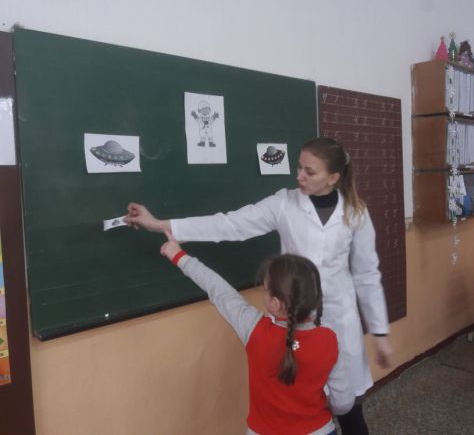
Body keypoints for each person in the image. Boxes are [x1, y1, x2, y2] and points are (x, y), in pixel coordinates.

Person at [126, 137, 393, 435]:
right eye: (299, 167)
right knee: (292, 405)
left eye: (310, 171)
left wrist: (380, 331)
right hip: (291, 324)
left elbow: (366, 274)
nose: (299, 176)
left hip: (340, 325)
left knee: (351, 414)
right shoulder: (284, 203)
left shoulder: (356, 212)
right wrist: (162, 224)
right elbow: (230, 224)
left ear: (333, 177)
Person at [160, 232, 353, 435]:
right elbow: (344, 402)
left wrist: (179, 256)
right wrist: (324, 408)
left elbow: (219, 290)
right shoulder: (329, 339)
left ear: (275, 303)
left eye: (266, 288)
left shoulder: (254, 329)